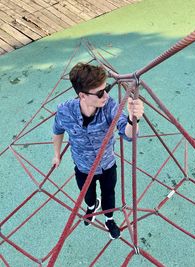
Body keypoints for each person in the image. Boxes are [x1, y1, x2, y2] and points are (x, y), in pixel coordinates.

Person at [52, 63, 144, 239]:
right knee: (87, 195)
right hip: (83, 167)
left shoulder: (109, 107)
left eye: (106, 88)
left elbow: (129, 135)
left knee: (109, 194)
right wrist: (56, 154)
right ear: (82, 95)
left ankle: (109, 219)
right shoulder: (65, 111)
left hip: (107, 165)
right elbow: (57, 131)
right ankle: (92, 207)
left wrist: (134, 120)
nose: (106, 95)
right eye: (101, 92)